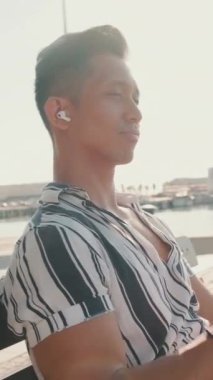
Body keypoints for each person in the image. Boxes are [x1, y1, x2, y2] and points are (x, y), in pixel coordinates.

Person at [2, 25, 213, 380]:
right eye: (116, 94)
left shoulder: (142, 219)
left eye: (136, 97)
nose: (136, 113)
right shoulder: (56, 239)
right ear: (60, 113)